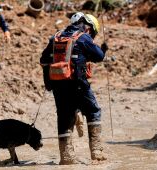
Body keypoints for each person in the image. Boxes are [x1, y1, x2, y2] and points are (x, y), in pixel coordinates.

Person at [40, 14, 109, 164]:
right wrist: (103, 50)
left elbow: (43, 60)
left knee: (64, 117)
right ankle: (96, 152)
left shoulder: (56, 37)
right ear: (89, 28)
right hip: (77, 84)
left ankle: (66, 157)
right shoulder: (84, 37)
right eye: (94, 33)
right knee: (93, 111)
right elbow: (98, 56)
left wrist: (48, 83)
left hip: (58, 85)